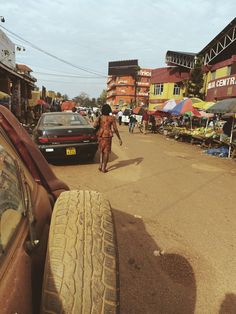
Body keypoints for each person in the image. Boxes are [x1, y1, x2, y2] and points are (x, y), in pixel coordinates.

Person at [94, 104, 122, 173]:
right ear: (109, 110)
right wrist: (119, 138)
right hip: (107, 136)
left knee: (101, 151)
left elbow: (94, 125)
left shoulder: (100, 117)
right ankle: (104, 168)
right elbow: (115, 129)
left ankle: (100, 166)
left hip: (100, 135)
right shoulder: (112, 118)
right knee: (106, 152)